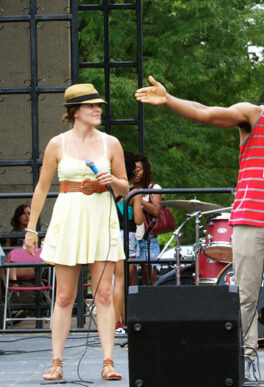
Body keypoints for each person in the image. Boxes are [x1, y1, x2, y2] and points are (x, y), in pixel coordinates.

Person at [135, 61, 264, 379]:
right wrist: (170, 100)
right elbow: (206, 112)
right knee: (246, 291)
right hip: (249, 215)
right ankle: (246, 355)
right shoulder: (252, 114)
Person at [24, 83, 127, 381]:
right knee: (65, 296)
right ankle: (56, 362)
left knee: (104, 294)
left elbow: (125, 188)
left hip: (100, 215)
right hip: (69, 216)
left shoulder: (111, 143)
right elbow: (43, 187)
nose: (97, 109)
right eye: (91, 105)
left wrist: (114, 182)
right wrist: (32, 228)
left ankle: (108, 362)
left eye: (98, 105)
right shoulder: (58, 143)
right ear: (75, 111)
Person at [113, 150, 144, 335]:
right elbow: (139, 220)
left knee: (110, 281)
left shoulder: (109, 189)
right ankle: (122, 322)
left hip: (109, 233)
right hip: (127, 236)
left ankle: (114, 322)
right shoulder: (134, 193)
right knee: (123, 280)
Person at [132, 153, 163, 285]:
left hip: (148, 239)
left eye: (139, 169)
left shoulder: (153, 188)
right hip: (131, 237)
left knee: (150, 278)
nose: (136, 172)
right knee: (130, 275)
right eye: (133, 169)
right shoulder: (125, 188)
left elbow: (156, 210)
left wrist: (136, 197)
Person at [1, 204, 35, 285]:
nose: (27, 216)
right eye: (24, 213)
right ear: (18, 216)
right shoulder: (12, 235)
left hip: (31, 266)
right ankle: (9, 285)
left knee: (10, 263)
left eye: (29, 214)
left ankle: (9, 287)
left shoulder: (36, 233)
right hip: (14, 265)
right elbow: (7, 252)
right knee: (2, 260)